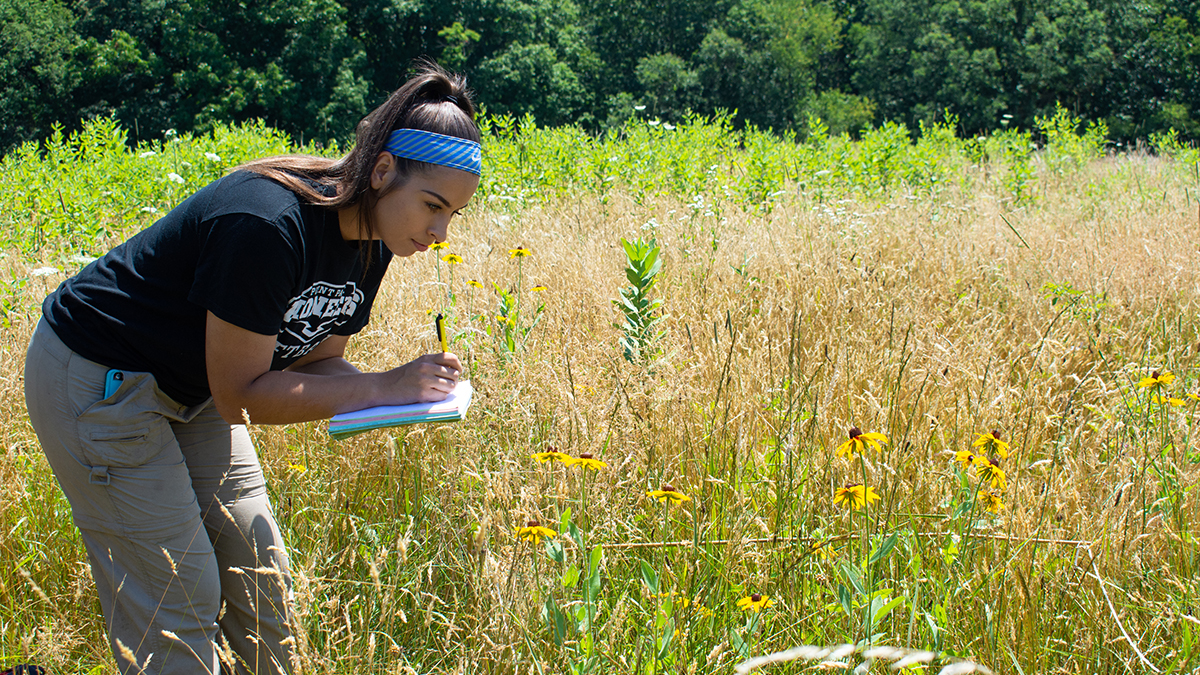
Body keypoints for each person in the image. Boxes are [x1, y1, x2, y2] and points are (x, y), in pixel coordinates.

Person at [23, 63, 480, 674]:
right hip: (102, 377)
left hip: (196, 389)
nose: (440, 232)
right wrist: (383, 385)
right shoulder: (267, 224)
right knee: (178, 598)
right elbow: (241, 396)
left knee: (264, 585)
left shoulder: (373, 243)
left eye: (452, 214)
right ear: (381, 171)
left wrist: (406, 393)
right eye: (433, 206)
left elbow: (320, 361)